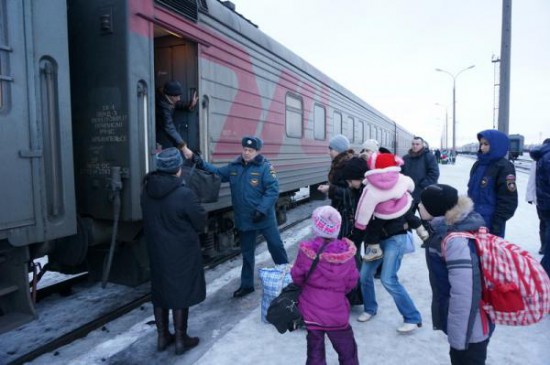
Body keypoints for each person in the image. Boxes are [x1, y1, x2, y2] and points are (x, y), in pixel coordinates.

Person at [188, 136, 289, 298]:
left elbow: (272, 190)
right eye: (245, 149)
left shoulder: (265, 168)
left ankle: (287, 279)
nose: (247, 153)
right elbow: (216, 172)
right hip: (245, 219)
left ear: (257, 152)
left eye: (250, 150)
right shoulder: (234, 167)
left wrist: (262, 210)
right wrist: (198, 161)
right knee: (247, 254)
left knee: (276, 247)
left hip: (264, 219)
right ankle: (247, 285)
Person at [140, 147, 207, 355]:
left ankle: (162, 337)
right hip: (181, 252)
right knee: (180, 292)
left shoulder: (146, 191)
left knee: (160, 291)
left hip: (157, 250)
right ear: (178, 168)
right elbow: (200, 221)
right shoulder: (184, 193)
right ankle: (180, 339)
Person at [419, 184, 494, 365]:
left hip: (471, 329)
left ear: (434, 209)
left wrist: (460, 338)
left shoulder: (456, 242)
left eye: (422, 203)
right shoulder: (448, 229)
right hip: (469, 324)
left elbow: (465, 294)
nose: (418, 206)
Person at [291, 206, 360, 365]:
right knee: (347, 351)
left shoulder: (306, 251)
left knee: (315, 352)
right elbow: (352, 283)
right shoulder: (346, 256)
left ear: (316, 226)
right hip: (337, 312)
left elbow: (297, 277)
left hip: (311, 311)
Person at [354, 152, 429, 261]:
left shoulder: (370, 188)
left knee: (373, 228)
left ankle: (375, 250)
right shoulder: (402, 178)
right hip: (402, 206)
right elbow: (411, 186)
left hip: (383, 213)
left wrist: (361, 224)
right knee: (410, 215)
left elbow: (365, 208)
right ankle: (422, 231)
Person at [467, 129, 518, 237]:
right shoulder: (477, 165)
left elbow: (508, 200)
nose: (482, 147)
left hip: (490, 222)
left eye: (486, 144)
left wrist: (497, 225)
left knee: (489, 253)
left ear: (496, 145)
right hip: (473, 219)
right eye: (481, 144)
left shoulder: (504, 167)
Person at [317, 134, 355, 238]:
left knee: (343, 245)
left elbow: (351, 193)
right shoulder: (339, 163)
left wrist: (330, 189)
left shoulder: (347, 166)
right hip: (339, 211)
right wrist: (330, 188)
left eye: (330, 149)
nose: (328, 152)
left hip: (346, 215)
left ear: (338, 150)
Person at [156, 80, 199, 151]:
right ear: (170, 95)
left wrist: (190, 105)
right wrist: (183, 146)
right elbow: (170, 128)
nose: (179, 98)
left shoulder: (166, 97)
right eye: (176, 96)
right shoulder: (162, 107)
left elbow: (176, 104)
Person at [529, 138, 550, 276]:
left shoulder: (542, 157)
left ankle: (544, 248)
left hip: (543, 201)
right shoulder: (548, 158)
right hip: (546, 200)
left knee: (545, 225)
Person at [401, 136, 440, 208]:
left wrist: (422, 185)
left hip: (424, 193)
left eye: (417, 144)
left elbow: (434, 173)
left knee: (425, 217)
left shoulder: (429, 157)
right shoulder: (405, 158)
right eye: (413, 144)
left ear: (422, 145)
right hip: (409, 193)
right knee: (408, 218)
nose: (415, 146)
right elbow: (401, 173)